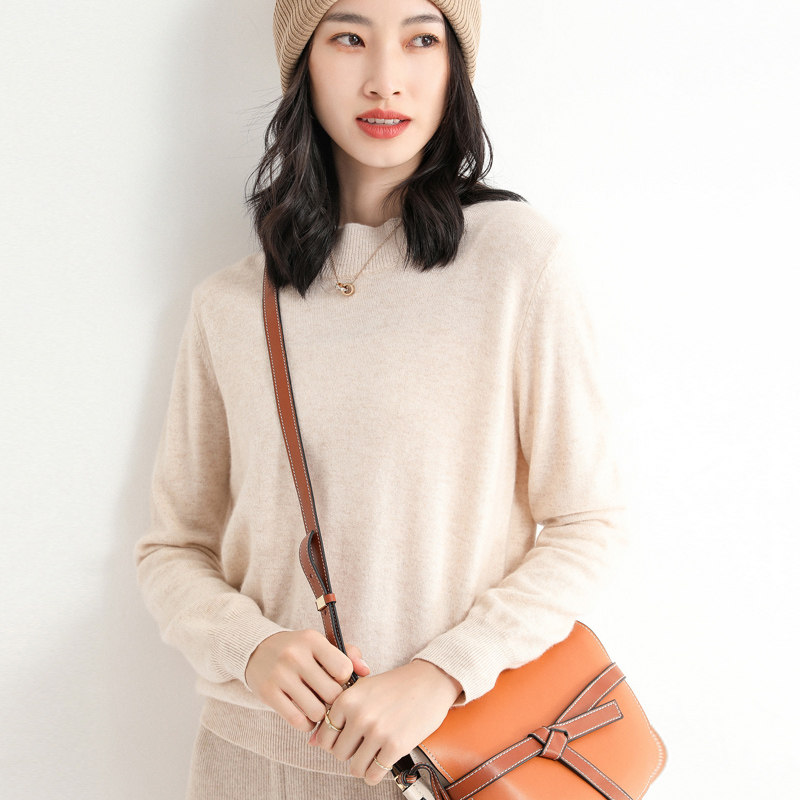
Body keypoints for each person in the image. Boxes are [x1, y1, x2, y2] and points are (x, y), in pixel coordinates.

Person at [135, 0, 628, 797]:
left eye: (422, 39)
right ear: (303, 62)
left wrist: (444, 671)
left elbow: (588, 523)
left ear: (453, 66)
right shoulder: (230, 305)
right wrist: (249, 648)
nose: (385, 79)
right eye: (349, 37)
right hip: (251, 764)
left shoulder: (518, 263)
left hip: (460, 762)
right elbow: (173, 548)